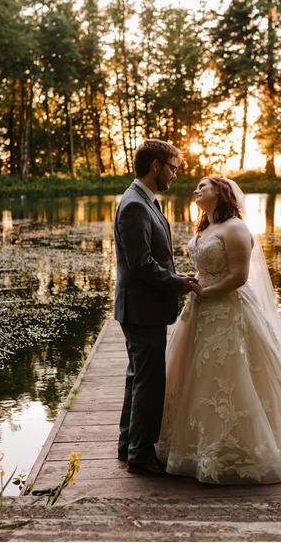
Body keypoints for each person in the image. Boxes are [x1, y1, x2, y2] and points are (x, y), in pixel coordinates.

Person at [155, 177, 281, 484]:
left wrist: (208, 293)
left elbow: (239, 276)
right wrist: (194, 284)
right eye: (196, 187)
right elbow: (207, 268)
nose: (197, 189)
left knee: (230, 373)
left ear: (221, 192)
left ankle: (236, 448)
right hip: (200, 308)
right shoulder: (205, 227)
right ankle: (191, 444)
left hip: (228, 310)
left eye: (204, 185)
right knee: (193, 375)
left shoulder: (236, 228)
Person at [113, 139, 196, 475]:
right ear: (156, 165)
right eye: (172, 167)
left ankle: (128, 445)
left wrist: (176, 274)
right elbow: (140, 264)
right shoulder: (134, 205)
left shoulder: (144, 201)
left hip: (142, 307)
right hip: (141, 308)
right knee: (149, 381)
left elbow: (150, 259)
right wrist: (177, 283)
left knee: (139, 377)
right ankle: (141, 455)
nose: (174, 175)